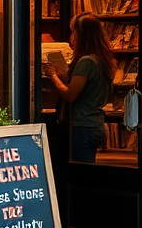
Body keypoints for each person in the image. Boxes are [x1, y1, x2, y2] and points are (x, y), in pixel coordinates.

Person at [43, 13, 116, 163]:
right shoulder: (101, 60)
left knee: (81, 172)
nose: (72, 37)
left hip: (83, 126)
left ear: (82, 36)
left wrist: (53, 76)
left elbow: (70, 95)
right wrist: (63, 75)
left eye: (74, 32)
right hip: (95, 123)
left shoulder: (86, 62)